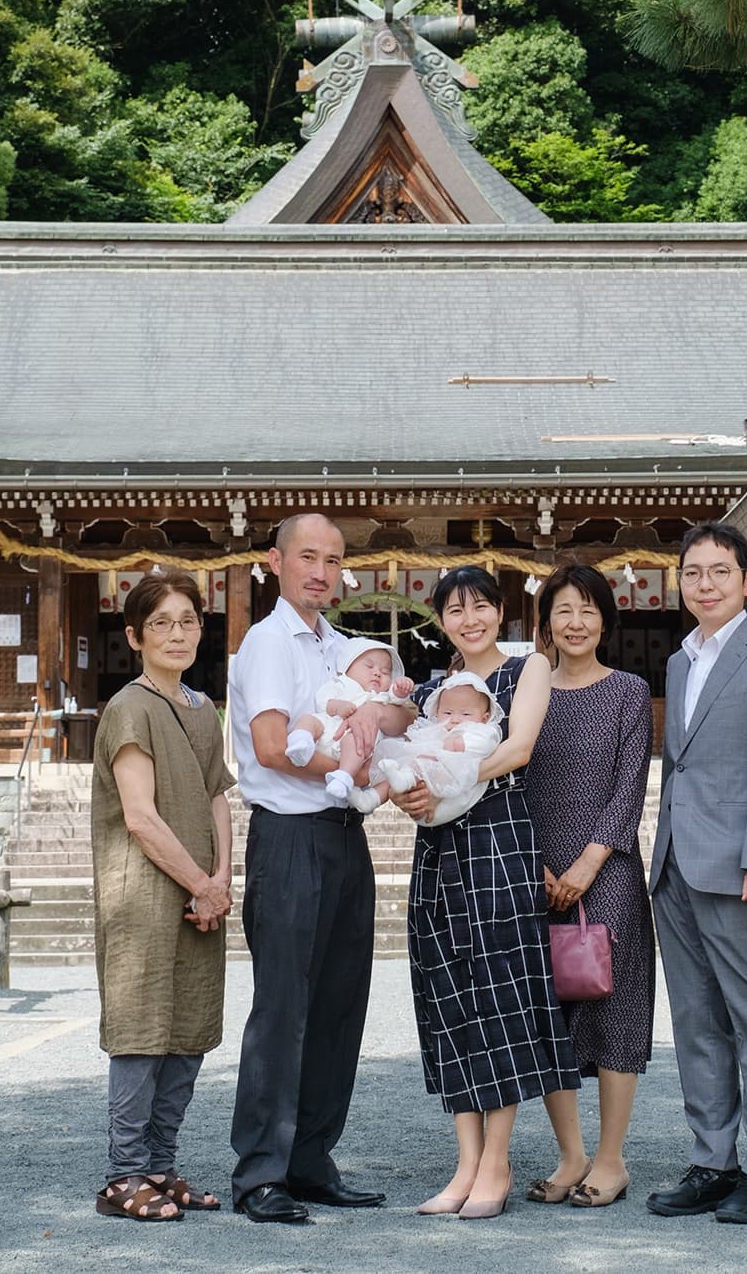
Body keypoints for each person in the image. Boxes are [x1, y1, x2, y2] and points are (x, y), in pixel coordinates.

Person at [226, 514, 411, 1223]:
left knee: (339, 1002)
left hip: (344, 833)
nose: (320, 572)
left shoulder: (342, 647)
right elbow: (273, 747)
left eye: (333, 560)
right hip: (289, 836)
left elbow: (395, 714)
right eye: (307, 557)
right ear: (276, 562)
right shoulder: (268, 642)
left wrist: (376, 724)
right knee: (283, 1006)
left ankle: (310, 1158)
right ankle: (261, 1172)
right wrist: (354, 764)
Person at [391, 565, 579, 1220]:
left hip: (500, 840)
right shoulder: (432, 692)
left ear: (500, 611)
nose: (469, 620)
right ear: (441, 621)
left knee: (501, 992)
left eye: (480, 607)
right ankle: (466, 1161)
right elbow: (407, 763)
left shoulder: (527, 669)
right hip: (439, 848)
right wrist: (410, 792)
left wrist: (448, 782)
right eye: (454, 610)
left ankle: (497, 1160)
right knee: (446, 990)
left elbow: (519, 748)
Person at [646, 522, 747, 1225]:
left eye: (719, 571)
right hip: (676, 863)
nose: (705, 584)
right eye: (692, 573)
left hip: (741, 866)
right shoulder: (680, 661)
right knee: (694, 1020)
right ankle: (714, 1160)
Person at [90, 571, 233, 1222]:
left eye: (188, 621)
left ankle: (159, 1166)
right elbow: (141, 817)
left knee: (189, 1027)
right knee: (142, 1030)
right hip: (145, 895)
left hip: (202, 895)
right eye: (161, 624)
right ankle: (122, 1176)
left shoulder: (203, 709)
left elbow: (216, 796)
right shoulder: (130, 708)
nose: (177, 634)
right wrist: (202, 884)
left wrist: (222, 878)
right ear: (134, 637)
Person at [524, 564, 655, 1210]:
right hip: (535, 873)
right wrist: (537, 864)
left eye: (588, 610)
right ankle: (571, 1153)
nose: (575, 623)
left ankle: (610, 1158)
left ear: (606, 620)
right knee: (547, 1010)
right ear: (546, 621)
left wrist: (587, 864)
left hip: (609, 873)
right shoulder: (526, 693)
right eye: (563, 610)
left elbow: (631, 786)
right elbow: (509, 783)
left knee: (613, 1006)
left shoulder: (629, 691)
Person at [339, 672, 501, 822]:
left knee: (423, 759)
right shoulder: (438, 730)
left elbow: (481, 745)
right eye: (448, 713)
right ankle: (371, 798)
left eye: (466, 714)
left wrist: (454, 744)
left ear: (485, 717)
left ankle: (404, 779)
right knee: (402, 761)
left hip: (453, 796)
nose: (455, 719)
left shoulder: (483, 731)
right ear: (437, 713)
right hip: (423, 797)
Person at [284, 638, 415, 769]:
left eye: (385, 672)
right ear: (348, 666)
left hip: (354, 741)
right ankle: (301, 742)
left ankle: (344, 774)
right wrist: (337, 707)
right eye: (369, 666)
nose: (377, 673)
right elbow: (322, 700)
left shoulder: (381, 695)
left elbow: (396, 700)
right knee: (308, 720)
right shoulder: (342, 683)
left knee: (357, 741)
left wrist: (400, 689)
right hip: (327, 728)